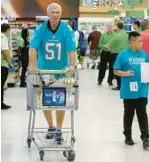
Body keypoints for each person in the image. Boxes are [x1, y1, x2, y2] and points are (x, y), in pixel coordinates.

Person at [29, 3, 76, 144]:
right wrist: (33, 66)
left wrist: (72, 65)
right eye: (53, 12)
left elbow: (71, 50)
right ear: (48, 13)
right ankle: (51, 126)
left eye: (58, 12)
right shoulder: (40, 30)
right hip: (44, 71)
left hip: (61, 71)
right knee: (45, 101)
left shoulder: (67, 29)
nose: (55, 14)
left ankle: (59, 129)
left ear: (61, 14)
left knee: (60, 102)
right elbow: (32, 48)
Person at [113, 31, 149, 148]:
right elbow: (115, 70)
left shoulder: (144, 54)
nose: (142, 43)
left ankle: (145, 138)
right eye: (139, 41)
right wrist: (125, 73)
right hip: (128, 90)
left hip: (142, 89)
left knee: (142, 113)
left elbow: (148, 67)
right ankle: (128, 136)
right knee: (129, 113)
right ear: (132, 42)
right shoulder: (123, 54)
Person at [108, 22, 128, 90]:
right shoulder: (126, 35)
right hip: (125, 54)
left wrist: (110, 50)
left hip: (116, 54)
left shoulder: (116, 36)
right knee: (124, 70)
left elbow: (109, 45)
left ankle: (119, 85)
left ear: (117, 27)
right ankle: (124, 85)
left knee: (117, 70)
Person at [1, 23, 13, 110]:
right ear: (8, 30)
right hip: (2, 65)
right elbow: (6, 53)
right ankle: (1, 104)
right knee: (1, 85)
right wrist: (10, 63)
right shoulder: (3, 38)